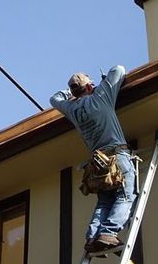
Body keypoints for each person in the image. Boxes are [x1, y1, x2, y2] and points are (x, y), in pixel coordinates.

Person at [50, 65, 136, 253]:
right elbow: (119, 70)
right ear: (89, 88)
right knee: (126, 195)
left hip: (97, 164)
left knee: (105, 202)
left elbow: (54, 99)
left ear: (74, 92)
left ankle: (92, 238)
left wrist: (71, 92)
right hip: (116, 156)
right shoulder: (101, 96)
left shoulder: (71, 109)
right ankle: (108, 232)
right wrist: (102, 82)